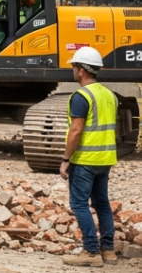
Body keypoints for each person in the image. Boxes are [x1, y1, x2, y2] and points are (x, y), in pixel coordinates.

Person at [61, 46, 119, 267]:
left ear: (81, 70)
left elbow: (76, 131)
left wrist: (66, 160)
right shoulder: (109, 95)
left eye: (74, 67)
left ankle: (91, 252)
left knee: (79, 204)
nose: (73, 71)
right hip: (105, 159)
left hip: (85, 160)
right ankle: (108, 250)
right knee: (102, 204)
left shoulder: (81, 96)